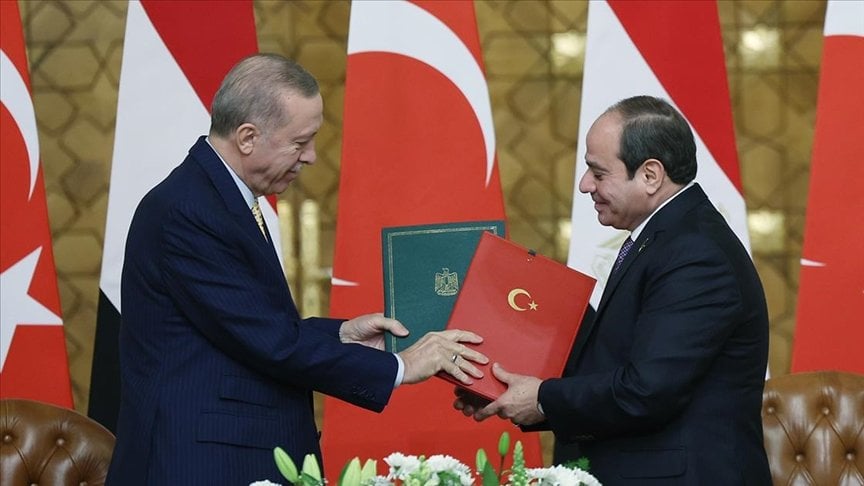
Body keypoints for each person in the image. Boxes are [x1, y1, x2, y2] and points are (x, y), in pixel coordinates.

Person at [106, 53, 488, 485]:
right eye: (300, 142)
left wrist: (342, 335)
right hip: (201, 464)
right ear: (247, 137)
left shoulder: (217, 198)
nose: (311, 157)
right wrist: (402, 366)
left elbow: (250, 327)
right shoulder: (189, 212)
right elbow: (270, 343)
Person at [456, 96, 771, 484]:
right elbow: (611, 364)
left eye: (598, 172)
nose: (585, 185)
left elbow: (646, 391)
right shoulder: (666, 238)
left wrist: (540, 398)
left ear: (650, 175)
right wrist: (503, 385)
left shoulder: (695, 254)